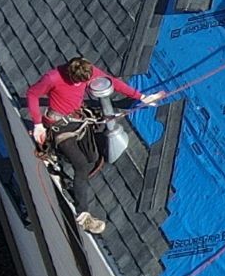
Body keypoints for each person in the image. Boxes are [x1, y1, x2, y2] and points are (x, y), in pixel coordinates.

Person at [25, 56, 151, 230]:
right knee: (82, 166)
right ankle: (83, 215)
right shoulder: (53, 78)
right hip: (60, 127)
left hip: (78, 120)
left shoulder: (87, 70)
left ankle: (65, 161)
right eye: (77, 83)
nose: (80, 86)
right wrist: (38, 124)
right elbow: (32, 93)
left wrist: (141, 96)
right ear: (70, 73)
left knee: (93, 156)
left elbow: (112, 82)